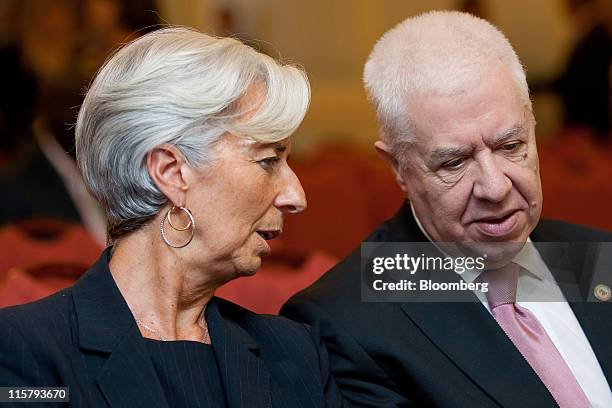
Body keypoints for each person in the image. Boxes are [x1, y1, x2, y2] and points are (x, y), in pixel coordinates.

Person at [0, 27, 345, 408]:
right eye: (268, 161)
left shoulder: (295, 354)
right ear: (171, 172)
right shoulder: (24, 350)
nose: (296, 197)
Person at [281, 11, 612, 407]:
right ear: (398, 168)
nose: (496, 187)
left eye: (510, 146)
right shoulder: (346, 325)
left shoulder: (598, 257)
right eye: (454, 163)